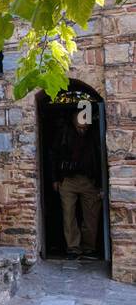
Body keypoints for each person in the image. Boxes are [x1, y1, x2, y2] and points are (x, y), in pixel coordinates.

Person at [53, 106, 103, 260]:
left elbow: (101, 156)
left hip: (90, 180)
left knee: (91, 215)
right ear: (74, 118)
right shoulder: (63, 133)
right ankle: (73, 248)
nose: (83, 124)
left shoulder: (94, 133)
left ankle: (89, 248)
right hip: (68, 180)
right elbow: (53, 155)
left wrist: (101, 183)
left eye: (85, 120)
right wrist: (55, 178)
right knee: (68, 215)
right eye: (80, 119)